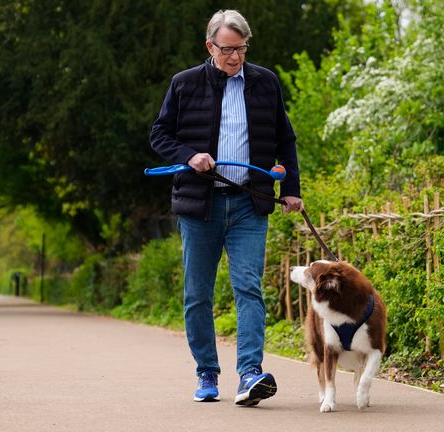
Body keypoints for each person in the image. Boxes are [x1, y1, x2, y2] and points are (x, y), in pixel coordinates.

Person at [149, 9, 303, 406]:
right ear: (210, 46)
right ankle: (207, 371)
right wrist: (188, 155)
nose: (235, 57)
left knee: (249, 288)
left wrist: (290, 187)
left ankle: (250, 373)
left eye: (241, 49)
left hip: (250, 203)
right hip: (200, 205)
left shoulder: (265, 83)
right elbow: (159, 134)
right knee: (197, 294)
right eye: (227, 49)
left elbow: (286, 140)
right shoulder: (184, 84)